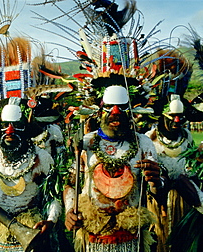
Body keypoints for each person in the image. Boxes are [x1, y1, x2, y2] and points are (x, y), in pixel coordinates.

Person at [63, 85, 164, 252]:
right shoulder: (87, 142)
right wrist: (69, 211)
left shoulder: (143, 143)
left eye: (122, 107)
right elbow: (70, 184)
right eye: (109, 107)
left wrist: (156, 183)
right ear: (100, 110)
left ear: (131, 111)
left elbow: (157, 192)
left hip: (129, 236)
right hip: (94, 235)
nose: (115, 112)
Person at [0, 97, 62, 252]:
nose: (9, 131)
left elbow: (53, 196)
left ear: (26, 128)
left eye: (16, 126)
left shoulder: (41, 158)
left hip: (30, 227)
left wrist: (50, 220)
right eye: (5, 125)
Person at [145, 94, 203, 252]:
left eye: (180, 117)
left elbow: (190, 163)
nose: (177, 121)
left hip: (184, 196)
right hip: (158, 200)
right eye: (172, 116)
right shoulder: (149, 139)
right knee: (159, 237)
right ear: (162, 117)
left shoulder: (187, 136)